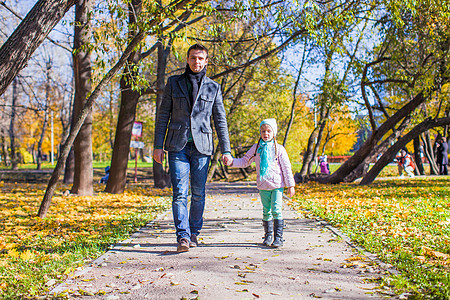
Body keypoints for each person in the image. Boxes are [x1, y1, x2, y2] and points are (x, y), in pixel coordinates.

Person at [153, 43, 232, 252]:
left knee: (198, 193)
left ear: (206, 61)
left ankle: (194, 232)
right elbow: (163, 116)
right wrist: (157, 146)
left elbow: (220, 119)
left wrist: (226, 150)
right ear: (187, 60)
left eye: (200, 58)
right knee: (179, 193)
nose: (196, 62)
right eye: (193, 58)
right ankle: (183, 237)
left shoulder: (213, 87)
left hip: (202, 147)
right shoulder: (173, 83)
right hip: (177, 146)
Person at [229, 119, 295, 248]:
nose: (266, 134)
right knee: (266, 211)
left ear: (274, 133)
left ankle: (278, 238)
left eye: (269, 131)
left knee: (276, 210)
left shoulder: (279, 149)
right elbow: (245, 161)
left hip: (277, 185)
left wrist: (290, 185)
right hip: (263, 184)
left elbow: (287, 168)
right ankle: (268, 235)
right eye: (263, 131)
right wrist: (231, 162)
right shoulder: (256, 148)